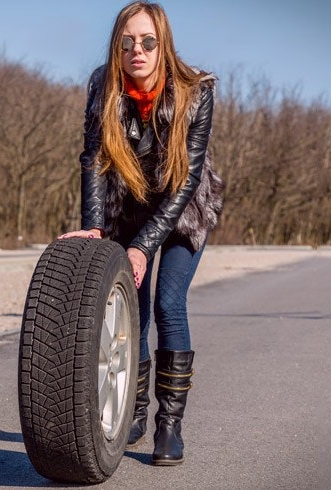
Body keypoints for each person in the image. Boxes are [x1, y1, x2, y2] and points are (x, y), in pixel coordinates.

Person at [58, 1, 223, 466]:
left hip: (182, 210)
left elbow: (188, 179)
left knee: (167, 304)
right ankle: (132, 408)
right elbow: (93, 158)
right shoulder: (103, 86)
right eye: (128, 41)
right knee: (134, 312)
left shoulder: (196, 91)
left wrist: (143, 248)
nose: (138, 50)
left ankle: (169, 426)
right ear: (118, 46)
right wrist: (94, 227)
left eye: (147, 41)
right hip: (127, 207)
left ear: (162, 44)